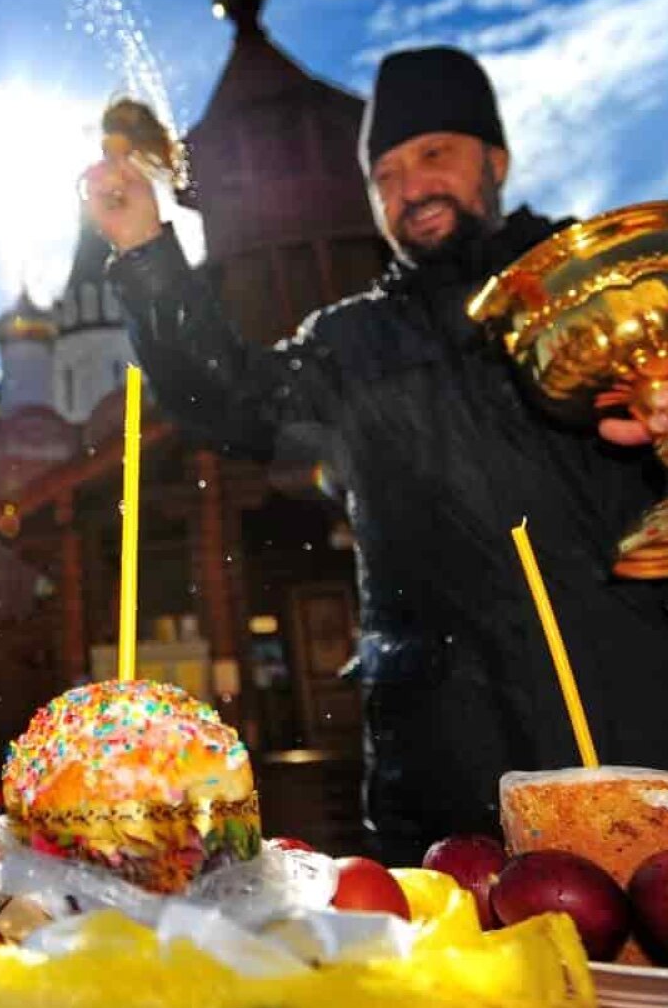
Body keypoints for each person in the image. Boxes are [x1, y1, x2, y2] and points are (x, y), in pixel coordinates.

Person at [82, 46, 668, 866]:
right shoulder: (351, 342)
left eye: (436, 154)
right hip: (447, 773)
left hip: (641, 729)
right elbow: (229, 395)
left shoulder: (602, 292)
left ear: (493, 159)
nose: (411, 188)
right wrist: (146, 249)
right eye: (386, 174)